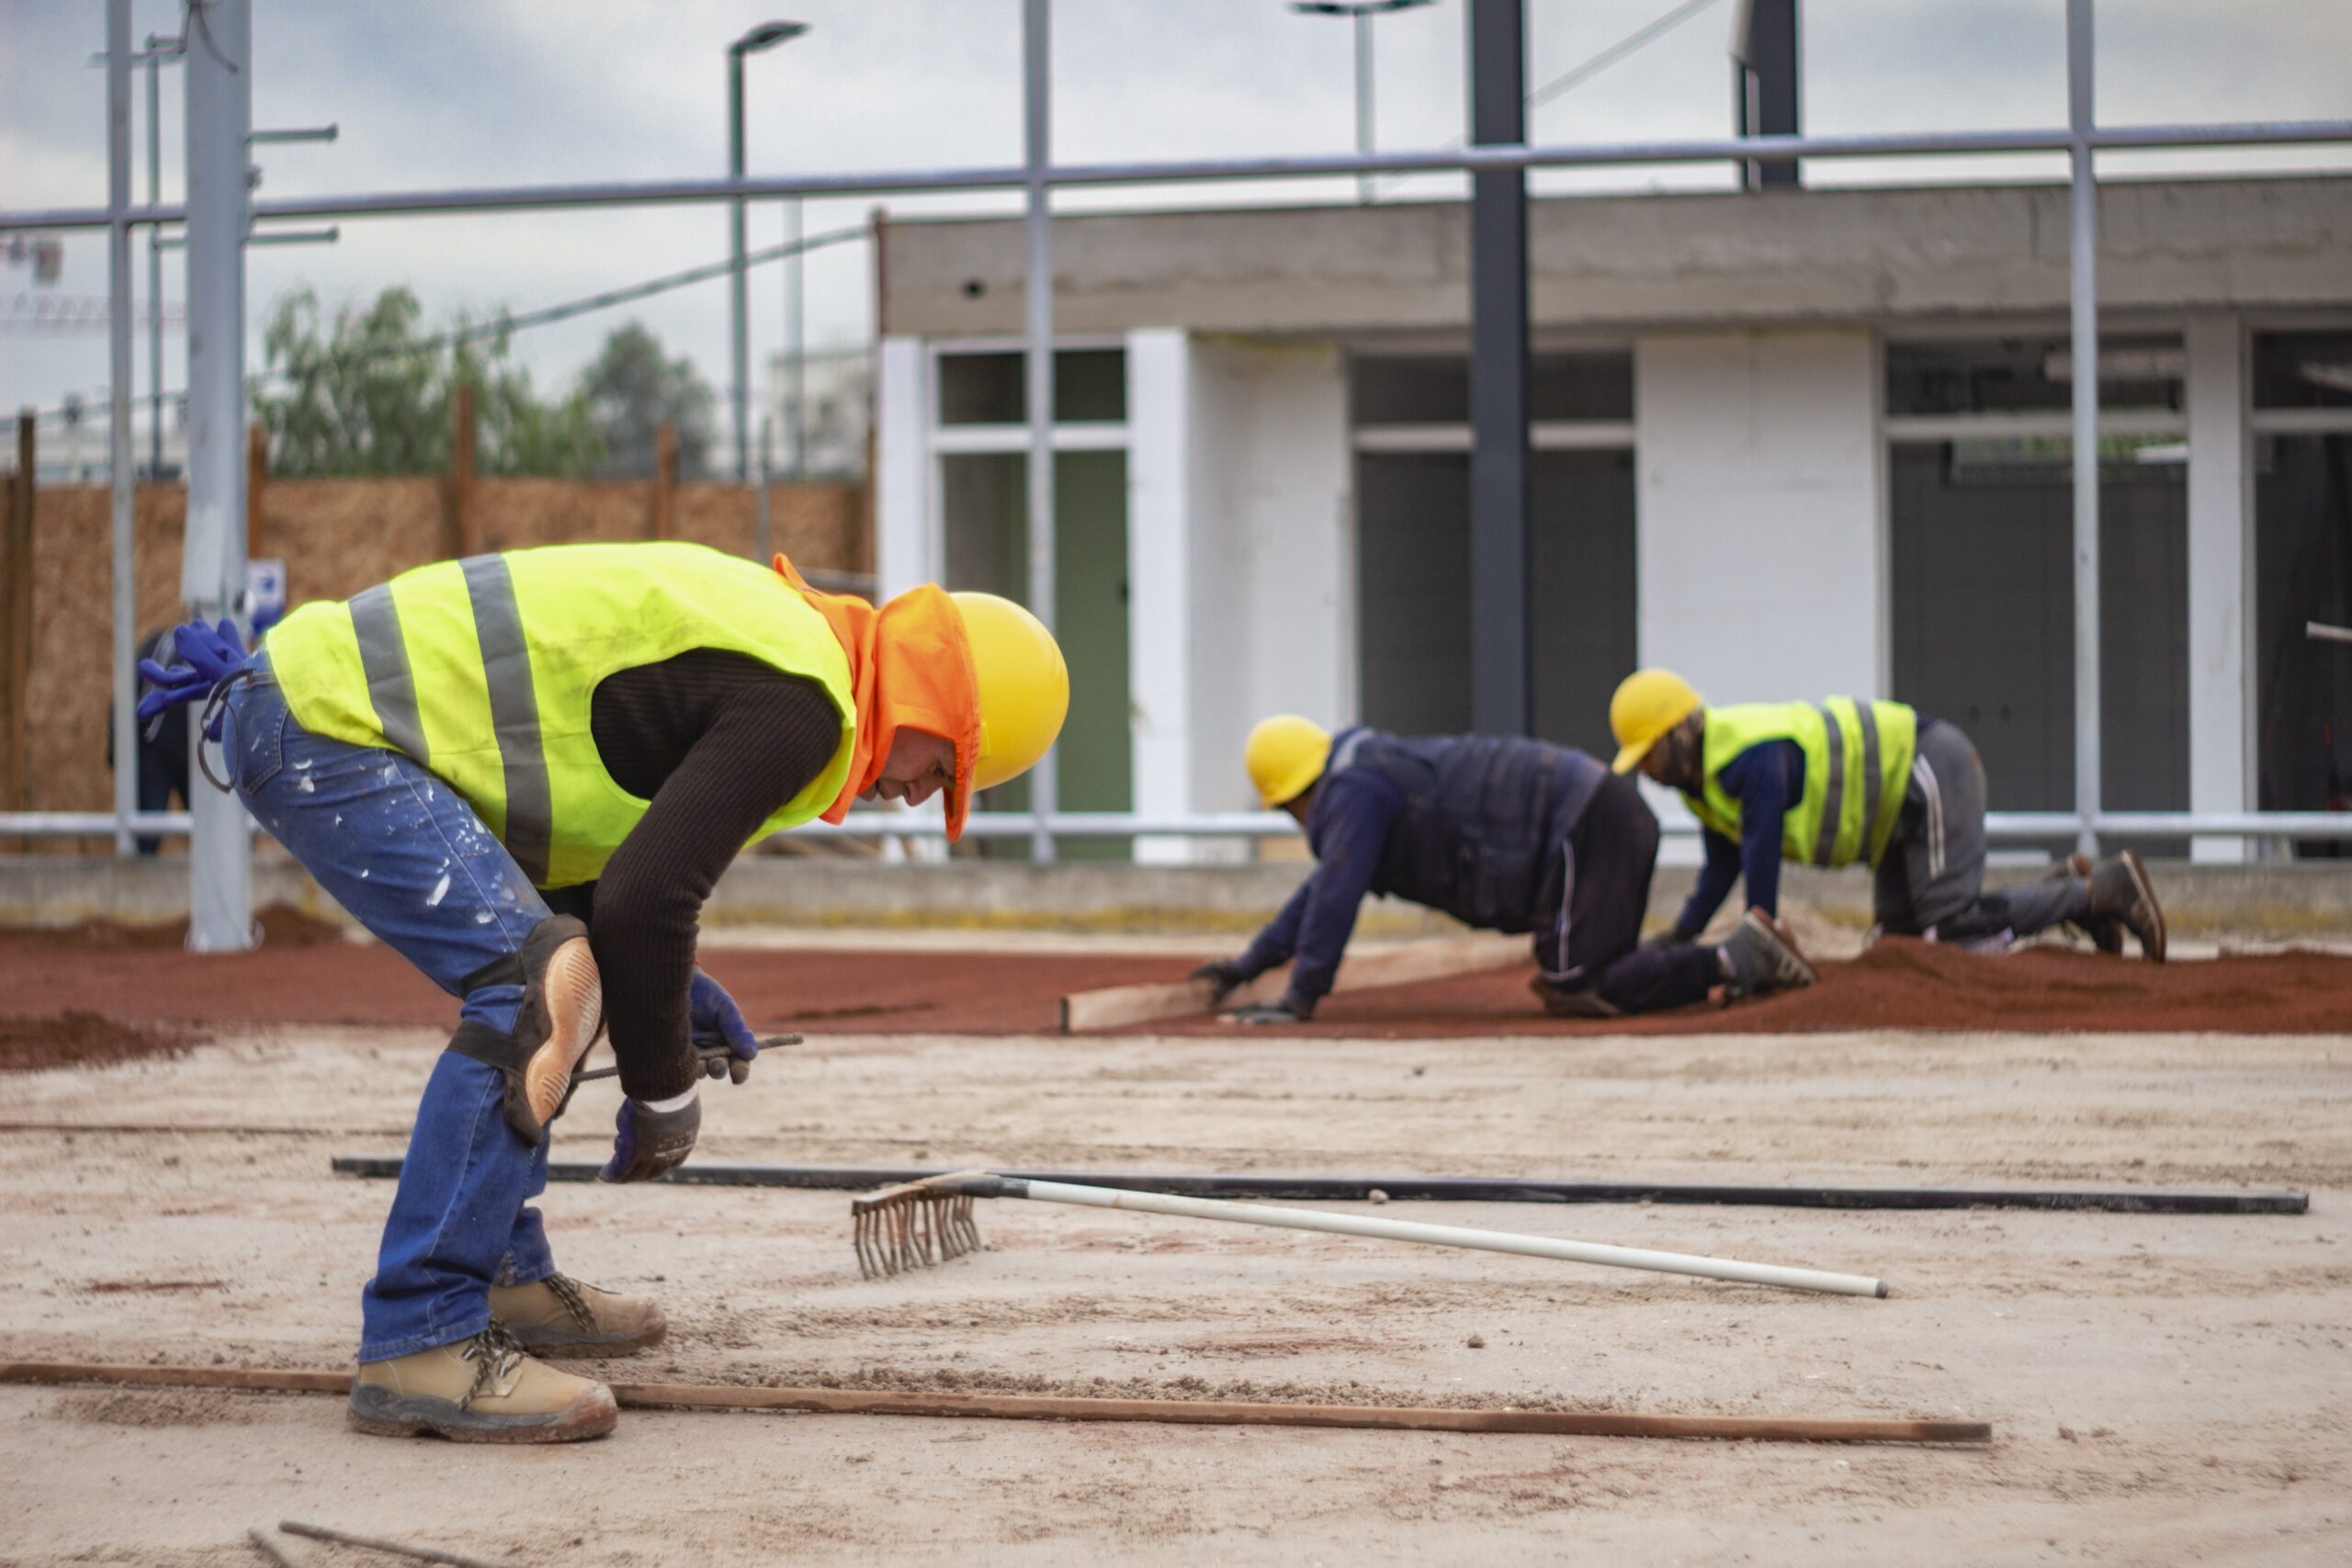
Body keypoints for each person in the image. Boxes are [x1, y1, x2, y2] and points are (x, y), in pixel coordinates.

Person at [139, 541, 1068, 1444]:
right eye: (942, 766)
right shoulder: (805, 703)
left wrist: (668, 991)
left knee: (565, 966)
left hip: (318, 709)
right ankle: (420, 1333)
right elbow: (646, 900)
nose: (917, 796)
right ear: (925, 700)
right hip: (329, 724)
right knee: (539, 985)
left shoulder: (794, 650)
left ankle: (502, 1274)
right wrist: (665, 1091)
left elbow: (606, 891)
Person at [1191, 716, 1818, 1027]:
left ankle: (1738, 959)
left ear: (1294, 794)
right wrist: (1249, 965)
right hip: (1591, 818)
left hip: (1584, 820)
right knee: (1579, 981)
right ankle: (1731, 958)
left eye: (1288, 812)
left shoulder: (1350, 791)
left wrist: (1300, 998)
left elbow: (1335, 888)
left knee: (1579, 979)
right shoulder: (1363, 772)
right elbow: (1326, 885)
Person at [1604, 669, 2165, 961]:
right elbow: (1722, 867)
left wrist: (1761, 931)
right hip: (1892, 820)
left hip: (1930, 768)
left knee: (1949, 924)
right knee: (1897, 944)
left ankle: (2107, 891)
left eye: (1649, 753)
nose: (1647, 770)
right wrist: (1681, 935)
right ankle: (2071, 891)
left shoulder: (1747, 756)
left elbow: (1761, 844)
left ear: (1680, 730)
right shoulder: (1701, 787)